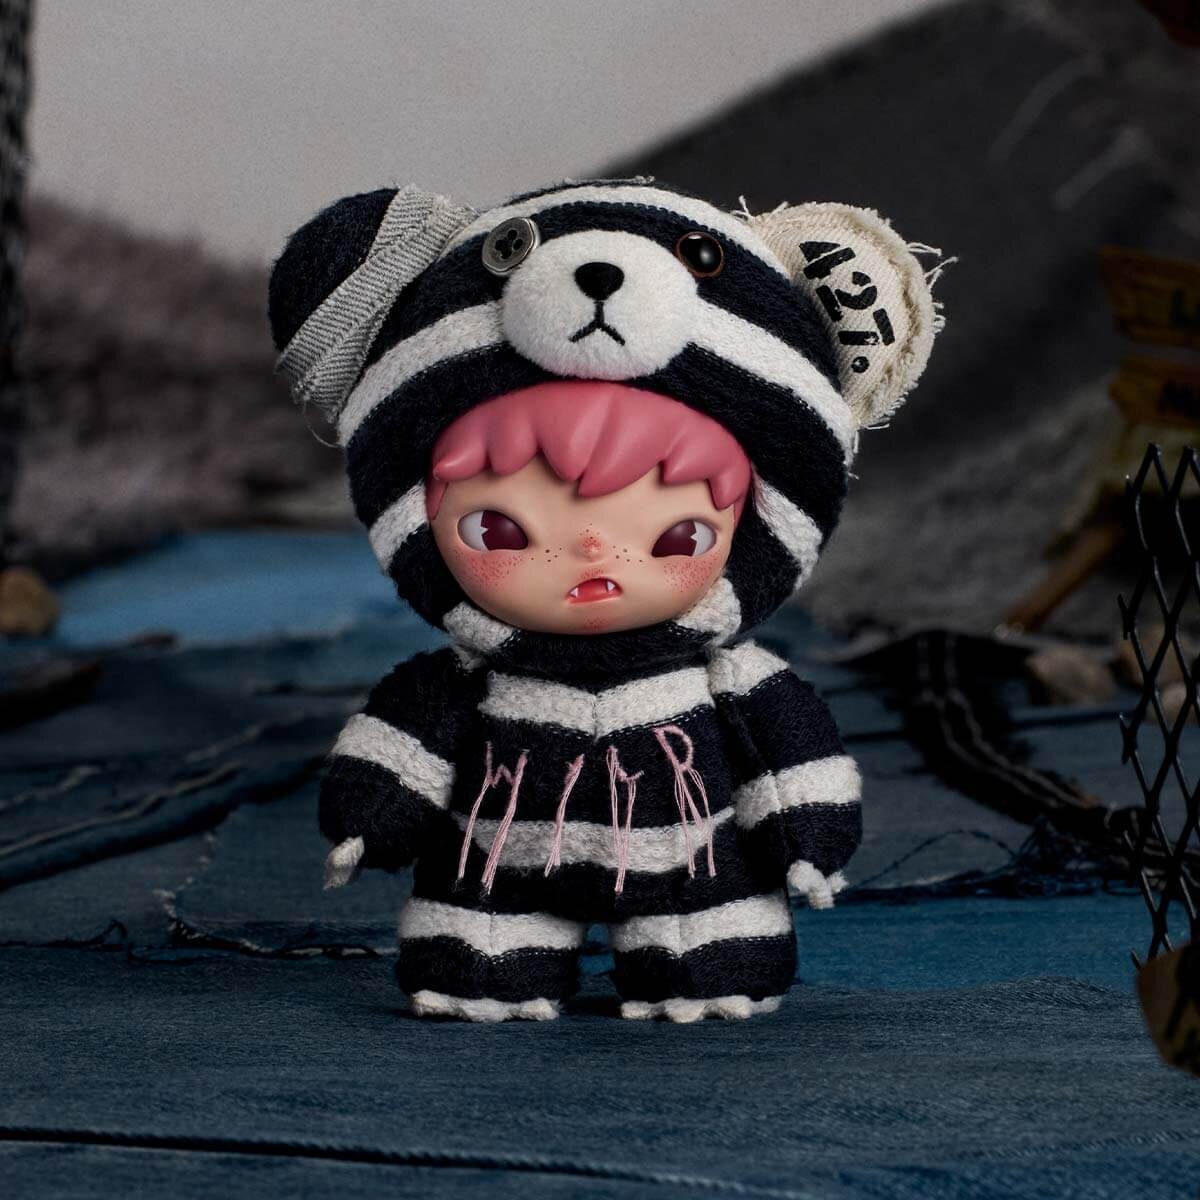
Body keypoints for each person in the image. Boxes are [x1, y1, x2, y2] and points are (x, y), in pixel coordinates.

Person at [269, 178, 943, 1021]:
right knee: (474, 954)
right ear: (416, 523)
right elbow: (406, 746)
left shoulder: (727, 680)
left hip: (695, 876)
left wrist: (808, 837)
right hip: (491, 873)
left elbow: (786, 755)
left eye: (675, 537)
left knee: (713, 954)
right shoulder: (461, 684)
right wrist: (369, 817)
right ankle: (488, 960)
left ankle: (703, 955)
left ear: (753, 539)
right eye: (501, 531)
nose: (592, 551)